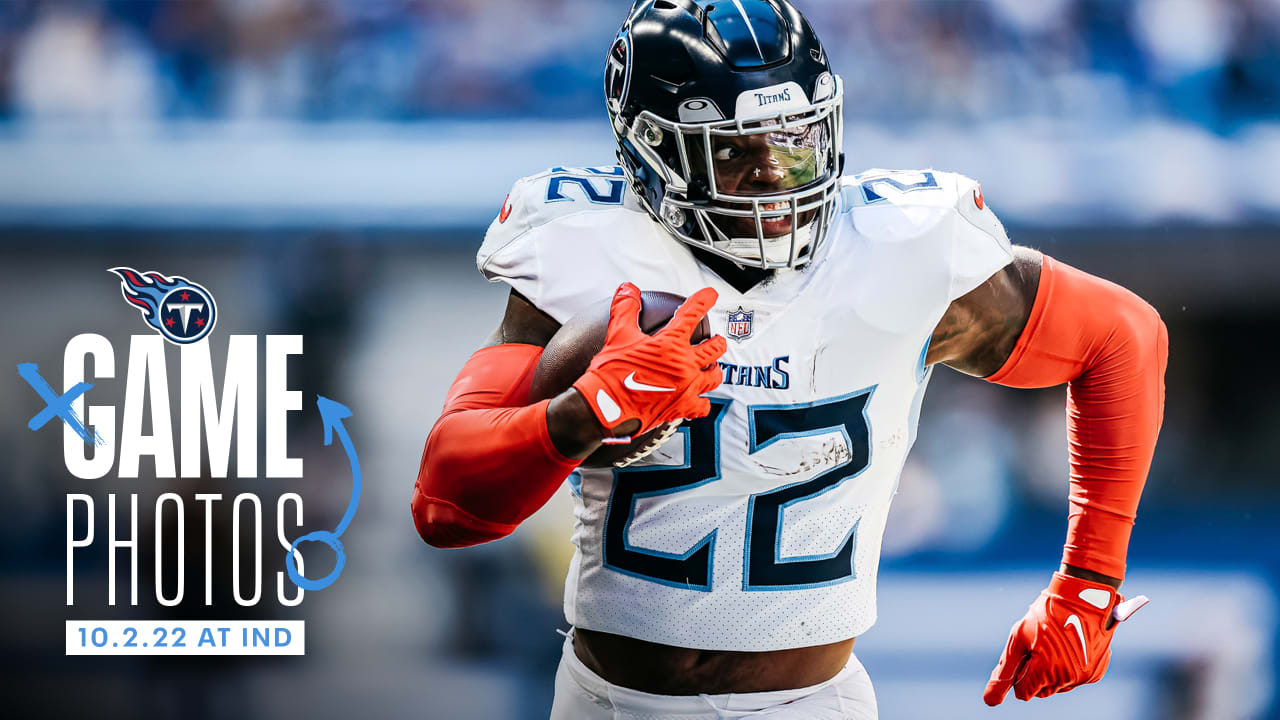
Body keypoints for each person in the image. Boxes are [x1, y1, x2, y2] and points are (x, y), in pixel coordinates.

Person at [411, 1, 1167, 717]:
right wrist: (579, 417)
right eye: (736, 151)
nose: (775, 175)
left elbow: (1123, 337)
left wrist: (1089, 584)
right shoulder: (590, 249)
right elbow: (446, 506)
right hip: (609, 700)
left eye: (795, 140)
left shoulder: (903, 249)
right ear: (651, 149)